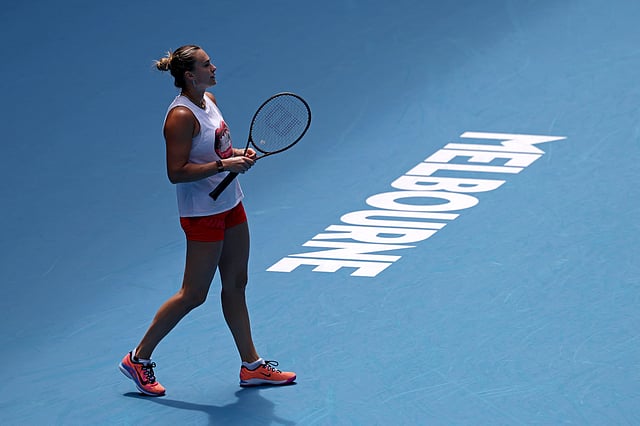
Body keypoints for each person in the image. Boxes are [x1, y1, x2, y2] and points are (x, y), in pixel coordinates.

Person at [119, 44, 296, 396]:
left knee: (237, 283)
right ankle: (137, 358)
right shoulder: (180, 117)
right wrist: (225, 165)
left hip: (230, 203)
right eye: (206, 64)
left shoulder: (209, 101)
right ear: (189, 75)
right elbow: (176, 172)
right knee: (193, 294)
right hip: (202, 213)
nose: (214, 67)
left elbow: (217, 150)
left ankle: (252, 366)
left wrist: (236, 154)